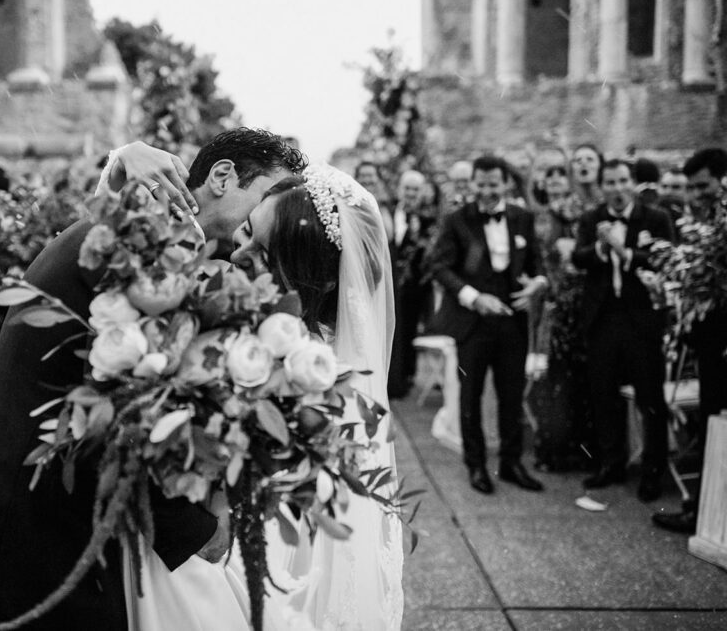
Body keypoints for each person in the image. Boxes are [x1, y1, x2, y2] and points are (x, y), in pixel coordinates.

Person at [0, 129, 307, 629]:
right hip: (29, 529)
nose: (274, 214)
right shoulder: (137, 251)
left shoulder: (152, 240)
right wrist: (195, 529)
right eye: (269, 195)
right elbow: (118, 416)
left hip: (49, 520)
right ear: (222, 177)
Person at [222, 165, 404, 630]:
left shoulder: (315, 380)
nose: (238, 253)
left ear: (314, 282)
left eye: (262, 254)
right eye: (246, 230)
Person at [430, 155, 547, 494]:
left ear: (505, 183)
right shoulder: (456, 220)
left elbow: (537, 262)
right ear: (472, 184)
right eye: (480, 185)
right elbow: (439, 267)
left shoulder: (522, 218)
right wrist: (474, 297)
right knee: (471, 396)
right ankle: (476, 465)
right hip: (472, 323)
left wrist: (538, 283)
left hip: (512, 320)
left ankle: (511, 463)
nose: (486, 191)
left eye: (493, 184)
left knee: (512, 395)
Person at [572, 159, 674, 501]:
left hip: (641, 320)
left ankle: (653, 472)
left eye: (622, 181)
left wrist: (623, 250)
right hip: (603, 319)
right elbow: (578, 258)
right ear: (602, 186)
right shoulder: (591, 219)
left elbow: (664, 259)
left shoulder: (656, 218)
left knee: (650, 398)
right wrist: (601, 248)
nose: (617, 189)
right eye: (610, 183)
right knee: (604, 395)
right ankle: (611, 464)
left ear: (633, 183)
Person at [654, 148, 727, 532]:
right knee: (710, 424)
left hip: (721, 341)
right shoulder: (702, 221)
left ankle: (706, 516)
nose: (697, 195)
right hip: (708, 343)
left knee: (715, 425)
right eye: (692, 188)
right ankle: (704, 512)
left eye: (703, 186)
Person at [387, 169, 434, 398]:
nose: (411, 193)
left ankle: (406, 376)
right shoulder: (388, 212)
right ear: (400, 189)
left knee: (409, 330)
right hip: (390, 281)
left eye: (416, 189)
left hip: (414, 286)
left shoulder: (427, 219)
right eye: (407, 188)